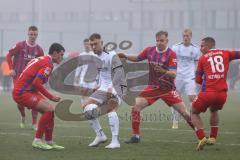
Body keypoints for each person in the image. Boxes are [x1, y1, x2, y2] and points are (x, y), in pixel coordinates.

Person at [118, 31, 194, 144]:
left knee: (185, 113)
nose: (159, 43)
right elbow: (138, 58)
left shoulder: (171, 54)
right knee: (135, 107)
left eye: (161, 40)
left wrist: (163, 71)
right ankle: (136, 136)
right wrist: (126, 56)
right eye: (157, 40)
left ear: (167, 41)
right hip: (152, 88)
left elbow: (173, 74)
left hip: (168, 89)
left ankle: (200, 133)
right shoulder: (150, 50)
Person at [12, 43, 65, 150]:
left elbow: (31, 77)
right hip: (22, 92)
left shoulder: (42, 59)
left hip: (28, 90)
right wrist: (51, 97)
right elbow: (37, 82)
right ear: (54, 53)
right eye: (61, 54)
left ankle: (49, 141)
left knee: (50, 111)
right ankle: (37, 140)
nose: (62, 57)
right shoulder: (48, 63)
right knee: (48, 110)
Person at [192, 37, 240, 151]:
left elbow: (198, 80)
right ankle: (213, 137)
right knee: (214, 110)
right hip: (222, 94)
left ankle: (201, 138)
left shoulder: (203, 58)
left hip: (208, 93)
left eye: (202, 45)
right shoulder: (226, 53)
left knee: (193, 112)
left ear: (209, 46)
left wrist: (206, 77)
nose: (200, 48)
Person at [82, 33, 126, 149]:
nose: (93, 46)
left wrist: (111, 87)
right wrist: (97, 84)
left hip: (117, 86)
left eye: (96, 44)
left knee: (111, 106)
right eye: (92, 44)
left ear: (102, 43)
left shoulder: (111, 54)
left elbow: (119, 72)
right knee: (87, 107)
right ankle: (100, 135)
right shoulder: (95, 56)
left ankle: (115, 141)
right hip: (103, 87)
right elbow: (101, 73)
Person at [6, 25, 44, 130]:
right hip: (18, 77)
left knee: (35, 100)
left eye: (35, 34)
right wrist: (10, 69)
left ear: (37, 35)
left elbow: (42, 64)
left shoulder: (39, 50)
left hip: (32, 79)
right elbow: (9, 55)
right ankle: (23, 116)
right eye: (31, 34)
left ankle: (34, 123)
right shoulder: (20, 45)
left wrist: (40, 76)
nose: (33, 36)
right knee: (20, 101)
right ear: (28, 34)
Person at [170, 29, 200, 129]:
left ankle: (192, 118)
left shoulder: (196, 49)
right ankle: (175, 121)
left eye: (187, 36)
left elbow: (197, 63)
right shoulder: (175, 47)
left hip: (190, 77)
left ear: (191, 36)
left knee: (192, 98)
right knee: (175, 98)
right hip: (177, 76)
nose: (185, 37)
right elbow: (171, 61)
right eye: (184, 36)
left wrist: (196, 74)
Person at [74, 38, 98, 105]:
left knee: (92, 94)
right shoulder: (81, 55)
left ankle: (91, 106)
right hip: (83, 78)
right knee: (84, 92)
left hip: (92, 78)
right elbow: (79, 67)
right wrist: (76, 77)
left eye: (88, 44)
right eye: (85, 44)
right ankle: (84, 106)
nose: (87, 45)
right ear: (83, 45)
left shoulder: (94, 54)